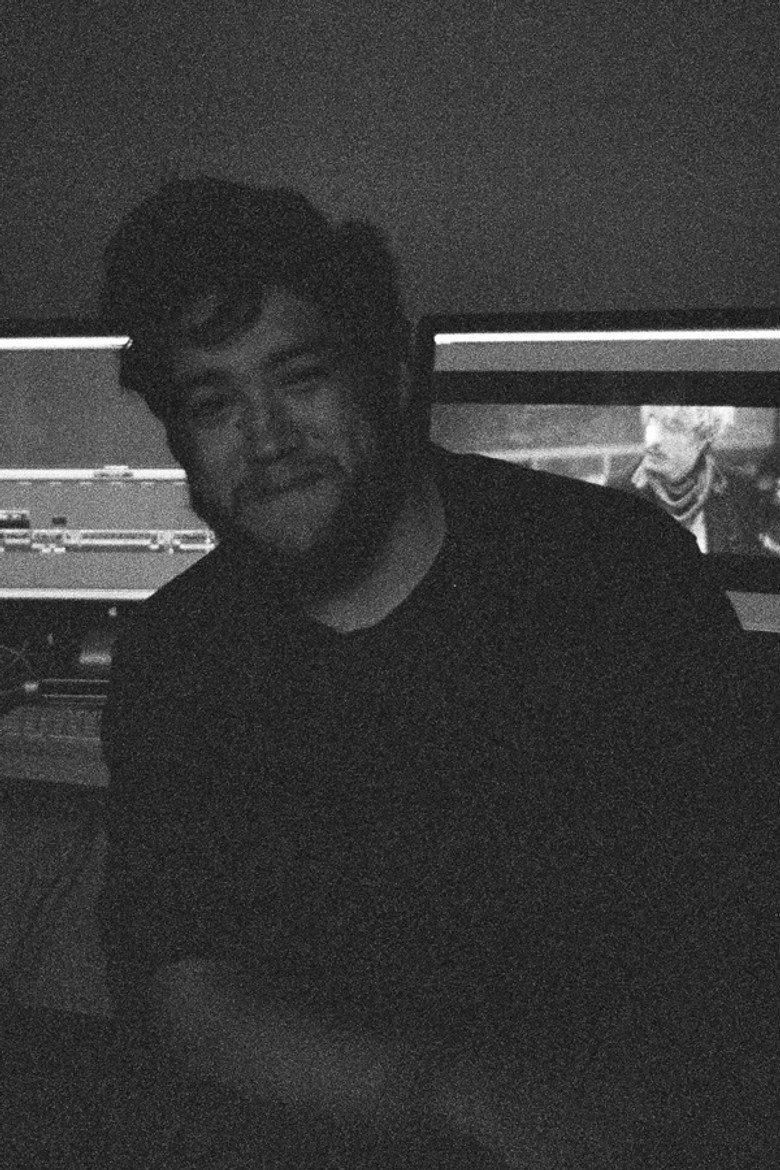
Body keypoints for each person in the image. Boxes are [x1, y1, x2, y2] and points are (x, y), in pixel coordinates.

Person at [94, 176, 776, 1167]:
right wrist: (455, 1095)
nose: (268, 437)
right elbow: (186, 994)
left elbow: (736, 940)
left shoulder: (614, 579)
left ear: (390, 375)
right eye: (214, 403)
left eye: (301, 377)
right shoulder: (178, 654)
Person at [609, 403, 778, 556]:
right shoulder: (618, 493)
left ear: (704, 435)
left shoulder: (740, 494)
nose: (652, 440)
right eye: (650, 422)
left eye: (672, 427)